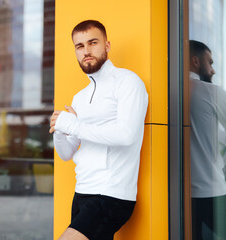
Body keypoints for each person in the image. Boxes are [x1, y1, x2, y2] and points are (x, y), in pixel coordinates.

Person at [49, 20, 148, 240]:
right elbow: (67, 153)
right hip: (82, 192)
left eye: (93, 43)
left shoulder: (128, 82)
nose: (86, 51)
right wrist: (60, 129)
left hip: (111, 195)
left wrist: (73, 124)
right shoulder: (80, 97)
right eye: (80, 46)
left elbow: (126, 134)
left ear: (107, 45)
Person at [189, 40, 226, 240]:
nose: (212, 70)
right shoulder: (210, 92)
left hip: (179, 197)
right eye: (209, 63)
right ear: (195, 61)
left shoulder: (169, 94)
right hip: (212, 191)